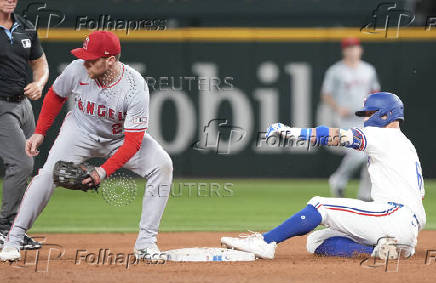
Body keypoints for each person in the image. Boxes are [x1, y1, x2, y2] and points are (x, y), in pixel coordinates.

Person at [0, 30, 173, 262]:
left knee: (162, 165)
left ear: (110, 60)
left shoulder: (135, 87)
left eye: (92, 58)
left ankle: (146, 243)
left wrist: (103, 171)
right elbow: (55, 95)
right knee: (47, 175)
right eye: (85, 56)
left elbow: (133, 142)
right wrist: (40, 131)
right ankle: (13, 239)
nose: (86, 62)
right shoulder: (77, 69)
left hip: (119, 138)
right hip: (80, 132)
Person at [221, 92, 425, 260]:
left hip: (393, 217)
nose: (365, 118)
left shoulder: (383, 135)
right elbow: (420, 196)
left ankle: (264, 243)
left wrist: (293, 132)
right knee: (316, 241)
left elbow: (337, 136)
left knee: (320, 205)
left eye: (369, 113)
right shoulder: (407, 146)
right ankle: (379, 251)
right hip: (406, 232)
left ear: (384, 115)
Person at [0, 0, 49, 249]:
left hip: (24, 106)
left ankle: (16, 230)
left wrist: (39, 84)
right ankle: (4, 229)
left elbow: (40, 62)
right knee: (21, 163)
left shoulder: (25, 27)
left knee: (32, 167)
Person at [321, 37, 380, 201]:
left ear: (360, 50)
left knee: (371, 154)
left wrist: (374, 109)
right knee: (357, 154)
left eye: (355, 47)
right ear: (344, 51)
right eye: (349, 48)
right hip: (346, 119)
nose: (353, 51)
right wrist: (338, 107)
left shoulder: (368, 69)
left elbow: (375, 91)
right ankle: (338, 180)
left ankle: (365, 194)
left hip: (365, 118)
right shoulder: (336, 71)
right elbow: (326, 94)